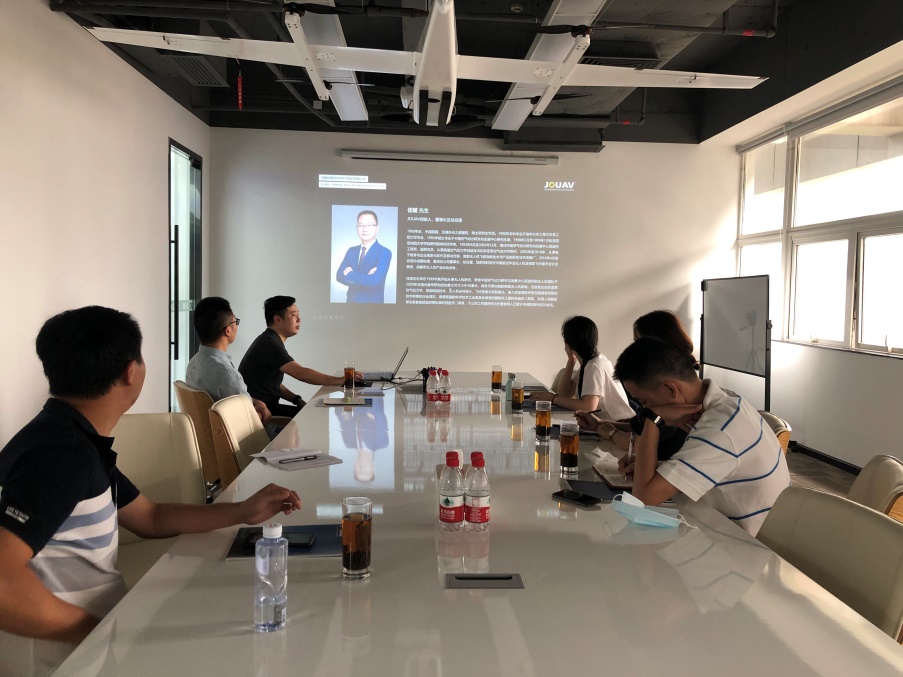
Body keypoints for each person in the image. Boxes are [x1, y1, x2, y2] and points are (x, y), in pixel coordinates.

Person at [0, 306, 301, 674]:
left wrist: (242, 511)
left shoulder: (72, 437)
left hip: (98, 640)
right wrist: (96, 631)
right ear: (131, 371)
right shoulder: (61, 455)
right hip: (67, 659)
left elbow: (149, 516)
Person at [612, 337, 790, 535]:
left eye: (644, 402)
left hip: (743, 543)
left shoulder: (720, 428)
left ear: (670, 389)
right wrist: (656, 467)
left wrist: (653, 420)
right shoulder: (725, 401)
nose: (644, 409)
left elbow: (642, 500)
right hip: (723, 527)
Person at [577, 310, 695, 459]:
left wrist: (611, 432)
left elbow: (638, 444)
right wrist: (600, 424)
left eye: (638, 342)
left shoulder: (670, 394)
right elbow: (644, 428)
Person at [238, 296, 360, 418]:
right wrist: (340, 380)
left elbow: (271, 384)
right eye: (294, 315)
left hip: (268, 409)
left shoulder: (268, 339)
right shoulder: (270, 343)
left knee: (315, 412)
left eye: (298, 315)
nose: (299, 319)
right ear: (277, 319)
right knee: (316, 416)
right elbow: (300, 373)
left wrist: (297, 400)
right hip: (263, 414)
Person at [185, 296, 271, 424]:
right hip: (244, 436)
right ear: (228, 330)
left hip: (206, 433)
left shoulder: (193, 363)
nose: (237, 325)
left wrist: (254, 402)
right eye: (235, 321)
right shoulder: (227, 375)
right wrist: (263, 415)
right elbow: (248, 422)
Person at [531, 316, 634, 419]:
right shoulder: (592, 361)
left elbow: (589, 407)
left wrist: (553, 398)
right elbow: (564, 394)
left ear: (568, 345)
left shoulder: (594, 365)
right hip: (608, 423)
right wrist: (571, 361)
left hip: (618, 425)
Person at [335, 209, 392, 303]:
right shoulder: (351, 251)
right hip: (350, 304)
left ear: (377, 228)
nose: (365, 229)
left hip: (372, 306)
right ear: (357, 228)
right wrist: (366, 277)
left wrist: (350, 273)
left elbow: (374, 281)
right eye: (361, 225)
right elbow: (339, 276)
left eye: (369, 225)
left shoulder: (384, 252)